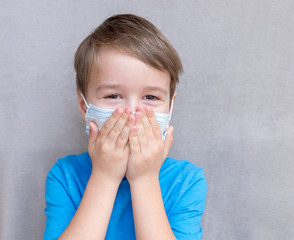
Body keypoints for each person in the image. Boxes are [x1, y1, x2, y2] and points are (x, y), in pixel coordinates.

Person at [43, 14, 207, 240]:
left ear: (170, 107)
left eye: (150, 96)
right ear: (84, 106)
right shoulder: (64, 176)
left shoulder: (187, 181)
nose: (132, 113)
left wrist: (144, 179)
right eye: (113, 95)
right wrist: (104, 176)